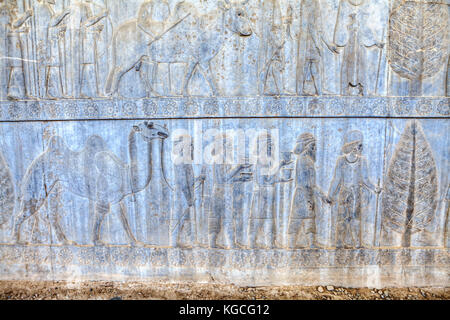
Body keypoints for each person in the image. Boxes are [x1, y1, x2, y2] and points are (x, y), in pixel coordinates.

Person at [327, 130, 381, 248]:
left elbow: (365, 180)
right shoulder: (341, 160)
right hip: (344, 192)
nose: (361, 148)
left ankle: (357, 244)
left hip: (356, 193)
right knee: (342, 219)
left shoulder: (362, 161)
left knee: (355, 219)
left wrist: (374, 188)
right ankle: (339, 243)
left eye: (361, 146)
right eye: (359, 145)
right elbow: (336, 179)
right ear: (352, 146)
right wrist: (330, 195)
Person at [248, 132, 292, 249]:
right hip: (261, 194)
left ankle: (270, 242)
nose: (271, 147)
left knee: (269, 219)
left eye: (272, 145)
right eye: (269, 144)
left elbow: (269, 178)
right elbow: (264, 181)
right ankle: (252, 242)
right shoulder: (261, 160)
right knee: (258, 218)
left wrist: (282, 179)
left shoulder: (267, 160)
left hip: (268, 194)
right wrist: (280, 165)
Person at [287, 133, 329, 248]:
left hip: (305, 193)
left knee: (307, 220)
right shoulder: (305, 160)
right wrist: (323, 196)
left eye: (315, 147)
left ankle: (308, 244)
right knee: (299, 220)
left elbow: (311, 184)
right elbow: (310, 184)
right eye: (312, 146)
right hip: (304, 194)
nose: (314, 149)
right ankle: (294, 245)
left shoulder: (305, 160)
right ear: (306, 146)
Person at [334, 0, 384, 95]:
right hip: (350, 44)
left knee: (362, 67)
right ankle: (345, 90)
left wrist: (376, 41)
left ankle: (363, 90)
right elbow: (340, 25)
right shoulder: (344, 3)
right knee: (348, 67)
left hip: (360, 45)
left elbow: (368, 27)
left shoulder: (367, 4)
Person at [296, 0, 338, 96]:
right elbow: (310, 25)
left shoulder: (315, 3)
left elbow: (319, 28)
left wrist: (328, 44)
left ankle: (319, 92)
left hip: (312, 41)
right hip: (307, 41)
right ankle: (301, 91)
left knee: (314, 67)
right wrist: (318, 44)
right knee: (305, 66)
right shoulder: (307, 3)